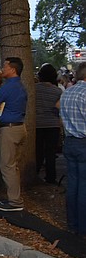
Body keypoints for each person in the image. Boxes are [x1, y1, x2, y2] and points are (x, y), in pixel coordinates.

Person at [0, 57, 28, 212]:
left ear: (12, 69)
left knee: (7, 166)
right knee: (13, 165)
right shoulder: (20, 86)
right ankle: (15, 196)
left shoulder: (7, 87)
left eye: (4, 66)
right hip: (20, 127)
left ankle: (15, 201)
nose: (2, 69)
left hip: (8, 129)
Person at [60, 62, 86, 236]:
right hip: (83, 141)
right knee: (83, 185)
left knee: (73, 183)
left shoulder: (67, 93)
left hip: (70, 140)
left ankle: (73, 223)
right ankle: (83, 226)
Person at [35, 63, 62, 185]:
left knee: (38, 151)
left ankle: (34, 173)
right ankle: (51, 177)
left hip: (37, 123)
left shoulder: (34, 89)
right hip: (53, 123)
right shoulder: (57, 91)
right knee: (50, 152)